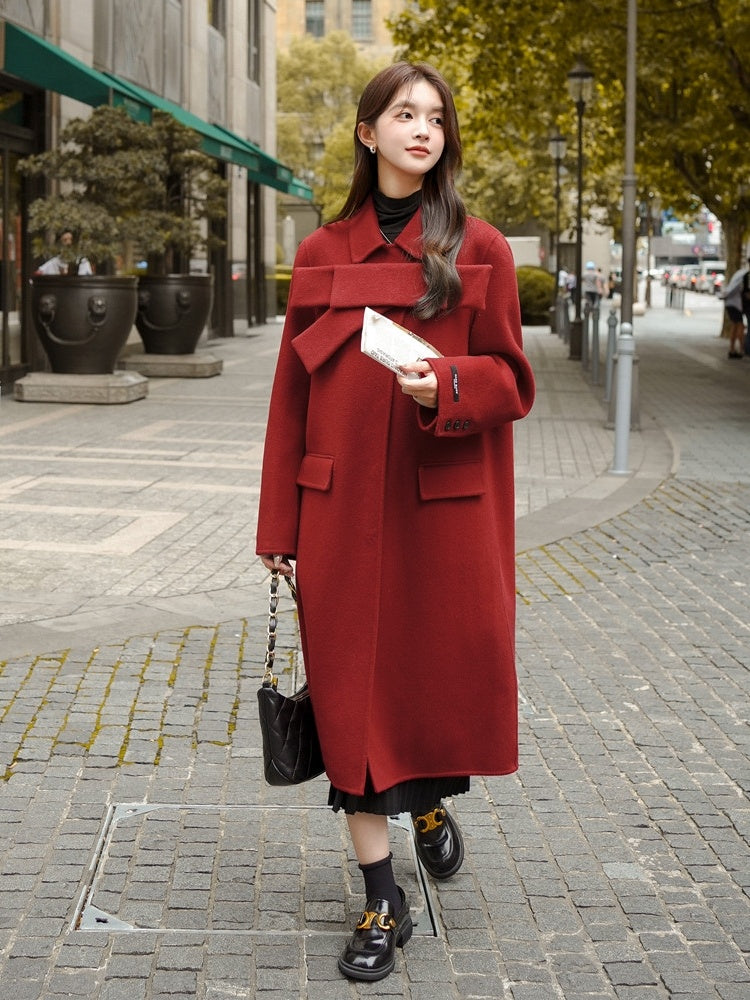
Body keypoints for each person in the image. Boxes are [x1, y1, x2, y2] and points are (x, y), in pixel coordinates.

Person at [256, 62, 535, 983]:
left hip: (436, 521)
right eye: (403, 114)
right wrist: (277, 529)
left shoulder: (479, 246)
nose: (425, 129)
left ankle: (428, 810)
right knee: (347, 709)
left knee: (419, 695)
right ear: (367, 133)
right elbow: (290, 397)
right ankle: (384, 896)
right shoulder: (320, 251)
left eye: (437, 117)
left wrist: (444, 384)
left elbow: (511, 381)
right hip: (335, 517)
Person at [719, 256, 749, 359]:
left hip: (732, 303)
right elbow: (734, 287)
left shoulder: (740, 272)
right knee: (739, 326)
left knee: (736, 325)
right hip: (735, 304)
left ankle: (734, 349)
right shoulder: (745, 274)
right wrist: (725, 295)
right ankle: (738, 349)